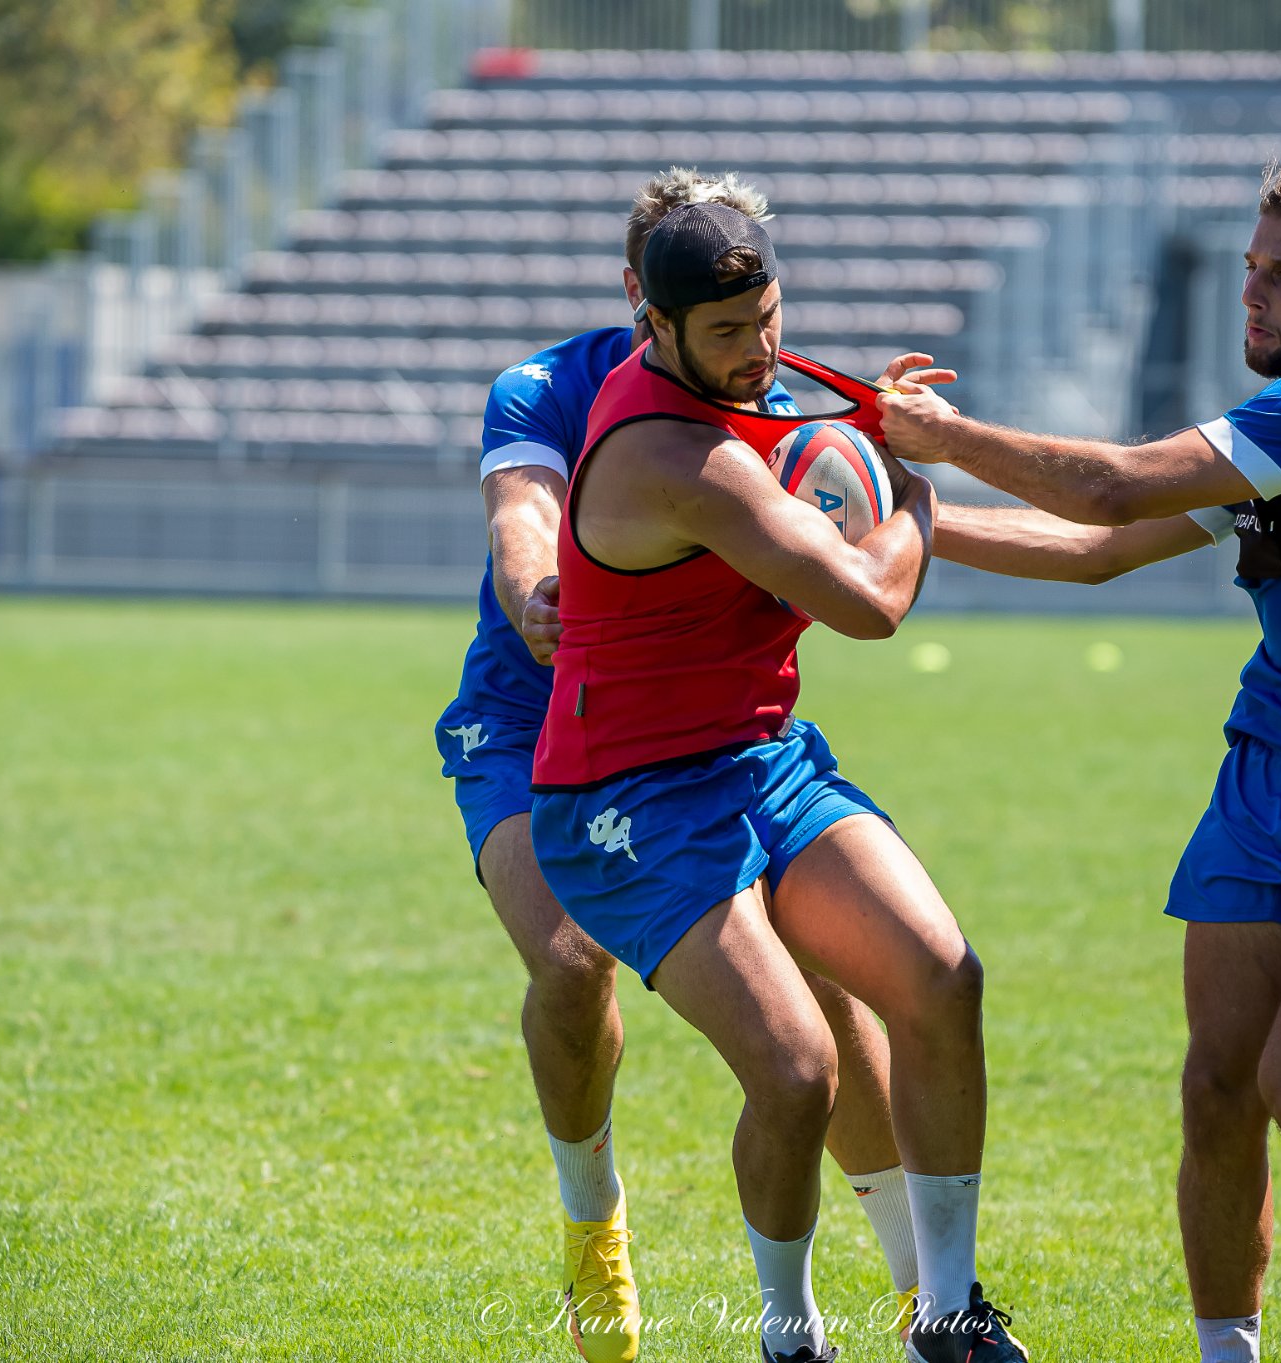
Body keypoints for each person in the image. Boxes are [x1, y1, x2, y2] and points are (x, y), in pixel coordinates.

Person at [879, 161, 1281, 1363]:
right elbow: (1086, 554)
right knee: (1215, 1086)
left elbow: (1110, 489)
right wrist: (902, 518)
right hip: (1270, 774)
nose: (1254, 295)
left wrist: (942, 439)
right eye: (1249, 269)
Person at [435, 168, 930, 1360]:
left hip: (708, 735)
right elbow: (521, 508)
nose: (745, 330)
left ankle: (926, 1294)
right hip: (533, 724)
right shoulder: (549, 386)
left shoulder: (763, 380)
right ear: (639, 293)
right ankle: (592, 1231)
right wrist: (533, 592)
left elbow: (843, 524)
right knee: (565, 959)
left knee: (824, 995)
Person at [529, 200, 1028, 1363]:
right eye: (722, 334)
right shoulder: (670, 453)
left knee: (942, 978)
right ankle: (788, 1336)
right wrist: (915, 492)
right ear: (647, 320)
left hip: (759, 761)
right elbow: (868, 603)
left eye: (766, 319)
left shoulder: (757, 383)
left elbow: (826, 434)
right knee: (797, 1068)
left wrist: (881, 422)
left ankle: (946, 1317)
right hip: (626, 801)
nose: (756, 352)